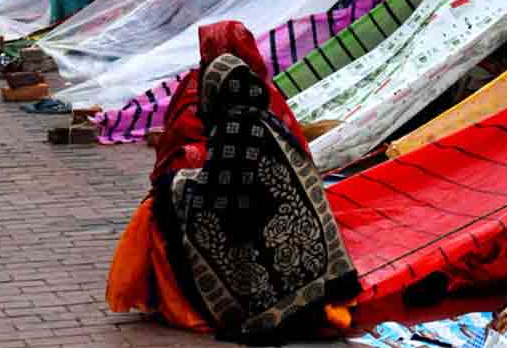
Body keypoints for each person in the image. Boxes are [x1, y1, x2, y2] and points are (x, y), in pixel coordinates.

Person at [106, 21, 359, 341]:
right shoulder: (264, 113)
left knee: (158, 212)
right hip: (312, 264)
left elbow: (230, 206)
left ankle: (194, 305)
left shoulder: (232, 126)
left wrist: (177, 186)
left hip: (273, 268)